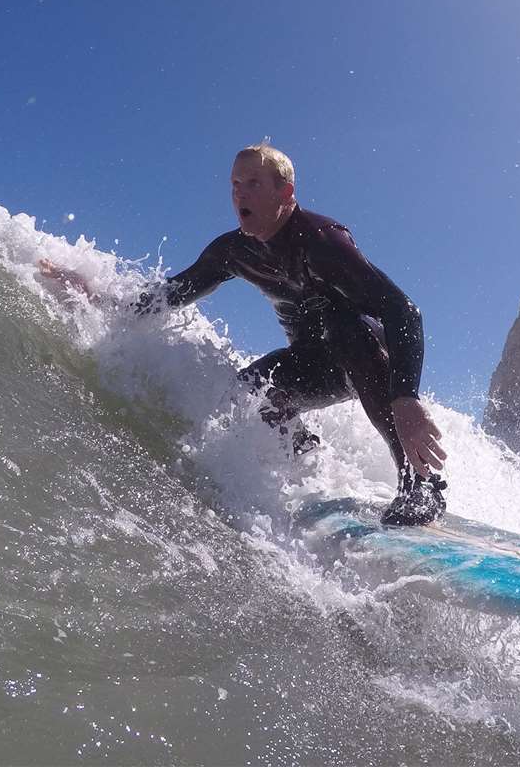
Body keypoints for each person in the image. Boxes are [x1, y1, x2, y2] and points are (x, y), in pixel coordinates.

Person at [37, 142, 448, 526]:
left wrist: (406, 397)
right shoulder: (233, 252)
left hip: (367, 351)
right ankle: (306, 462)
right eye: (235, 184)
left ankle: (420, 484)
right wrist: (93, 295)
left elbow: (402, 310)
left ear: (285, 192)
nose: (240, 194)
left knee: (343, 326)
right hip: (314, 363)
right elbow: (167, 297)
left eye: (253, 183)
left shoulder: (322, 242)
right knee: (251, 388)